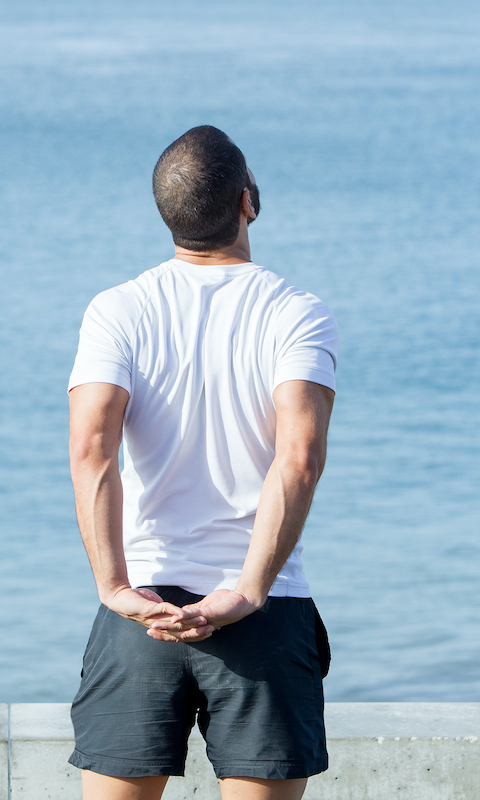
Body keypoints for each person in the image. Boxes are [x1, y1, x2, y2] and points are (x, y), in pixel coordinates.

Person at [66, 125, 338, 800]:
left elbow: (91, 451)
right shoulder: (297, 313)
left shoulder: (117, 310)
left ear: (167, 212)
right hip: (264, 612)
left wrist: (113, 587)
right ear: (249, 202)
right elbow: (297, 460)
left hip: (143, 614)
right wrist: (246, 590)